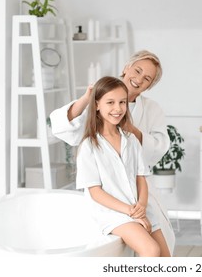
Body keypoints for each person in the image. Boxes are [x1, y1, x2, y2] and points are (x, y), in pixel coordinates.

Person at [50, 50, 175, 254]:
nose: (139, 79)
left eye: (147, 79)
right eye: (137, 70)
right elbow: (63, 126)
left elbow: (155, 153)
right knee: (150, 250)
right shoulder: (92, 141)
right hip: (112, 204)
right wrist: (88, 98)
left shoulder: (135, 134)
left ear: (150, 85)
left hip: (137, 198)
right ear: (126, 67)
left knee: (162, 253)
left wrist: (140, 206)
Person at [76, 76, 169, 257]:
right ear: (96, 105)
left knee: (166, 259)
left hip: (137, 208)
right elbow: (96, 192)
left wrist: (141, 206)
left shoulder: (131, 140)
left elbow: (140, 177)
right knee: (151, 250)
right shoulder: (89, 146)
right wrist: (130, 211)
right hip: (112, 214)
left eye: (122, 102)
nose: (117, 109)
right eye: (110, 102)